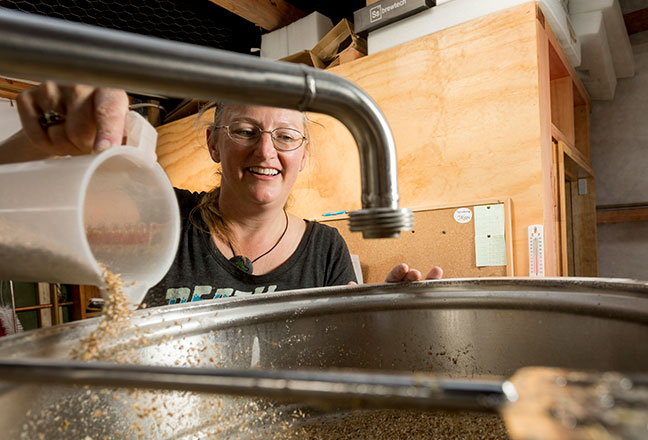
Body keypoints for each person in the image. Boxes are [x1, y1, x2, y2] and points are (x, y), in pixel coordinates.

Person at [3, 83, 443, 307]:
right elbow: (19, 214)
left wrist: (381, 316)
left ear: (303, 155)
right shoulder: (162, 216)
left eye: (287, 136)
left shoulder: (327, 249)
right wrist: (49, 141)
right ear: (215, 143)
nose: (266, 151)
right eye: (246, 131)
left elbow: (340, 355)